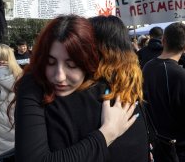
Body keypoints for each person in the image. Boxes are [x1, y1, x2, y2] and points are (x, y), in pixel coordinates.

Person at [15, 15, 141, 162]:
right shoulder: (33, 84)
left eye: (72, 65)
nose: (59, 76)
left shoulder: (112, 94)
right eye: (50, 62)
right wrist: (107, 133)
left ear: (89, 64)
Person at [142, 22, 185, 162]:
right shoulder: (180, 75)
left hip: (158, 144)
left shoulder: (148, 67)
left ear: (163, 41)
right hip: (179, 150)